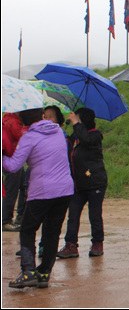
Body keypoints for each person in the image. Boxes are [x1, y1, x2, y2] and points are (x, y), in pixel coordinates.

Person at [2, 108, 74, 289]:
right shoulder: (58, 131)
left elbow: (13, 166)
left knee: (27, 230)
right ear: (42, 116)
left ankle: (28, 271)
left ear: (23, 120)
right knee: (52, 232)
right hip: (65, 190)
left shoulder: (30, 137)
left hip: (42, 192)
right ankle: (44, 273)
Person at [56, 108, 108, 259]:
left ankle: (97, 243)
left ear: (84, 120)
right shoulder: (77, 135)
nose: (75, 121)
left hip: (95, 182)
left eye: (77, 119)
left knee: (95, 215)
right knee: (73, 215)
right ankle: (71, 245)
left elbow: (86, 139)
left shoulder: (95, 135)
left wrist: (75, 123)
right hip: (78, 184)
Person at [2, 112, 26, 231]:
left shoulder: (8, 119)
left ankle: (20, 216)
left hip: (12, 158)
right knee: (11, 190)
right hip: (11, 159)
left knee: (24, 186)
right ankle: (5, 221)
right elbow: (23, 138)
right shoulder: (14, 121)